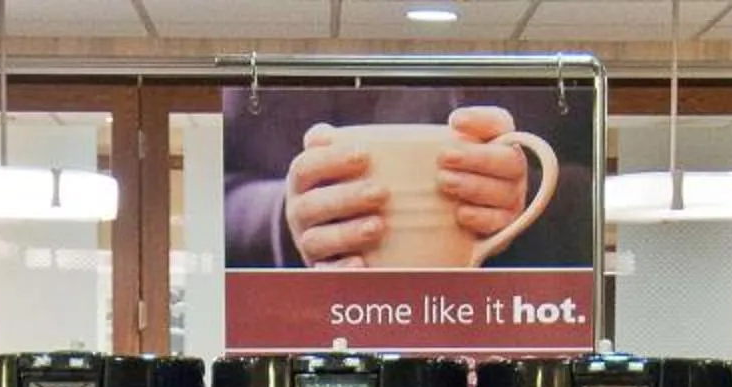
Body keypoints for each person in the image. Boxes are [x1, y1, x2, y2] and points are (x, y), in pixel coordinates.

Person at [225, 89, 594, 271]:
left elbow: (604, 185)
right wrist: (289, 216)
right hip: (310, 329)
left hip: (512, 321)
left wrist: (520, 196)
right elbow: (213, 195)